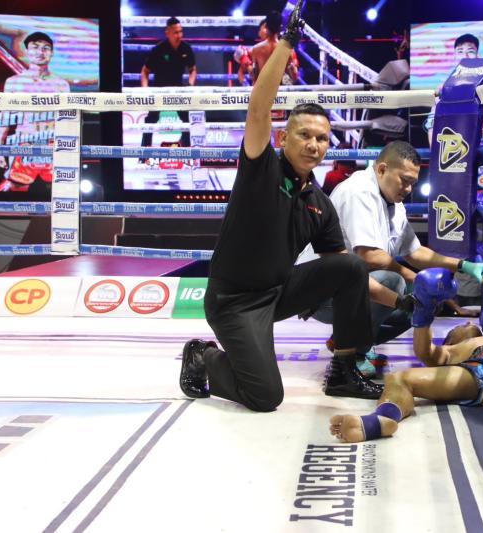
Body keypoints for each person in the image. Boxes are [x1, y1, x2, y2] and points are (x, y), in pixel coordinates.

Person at [180, 1, 384, 411]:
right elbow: (258, 107)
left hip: (277, 292)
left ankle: (345, 371)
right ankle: (204, 356)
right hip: (233, 302)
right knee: (265, 396)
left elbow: (345, 272)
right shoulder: (262, 169)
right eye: (304, 135)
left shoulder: (319, 203)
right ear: (283, 139)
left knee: (350, 266)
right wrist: (287, 42)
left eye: (321, 138)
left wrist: (405, 302)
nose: (313, 144)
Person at [329, 268, 483, 446]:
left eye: (468, 323)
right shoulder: (455, 351)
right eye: (459, 327)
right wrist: (423, 314)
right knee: (398, 379)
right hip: (477, 376)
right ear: (450, 339)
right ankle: (381, 420)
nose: (468, 324)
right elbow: (426, 353)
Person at [312, 141, 483, 359]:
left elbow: (414, 252)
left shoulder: (393, 202)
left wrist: (464, 266)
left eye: (412, 183)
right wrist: (414, 278)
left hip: (349, 286)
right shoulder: (358, 192)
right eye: (404, 180)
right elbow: (369, 256)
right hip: (320, 294)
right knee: (393, 282)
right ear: (382, 169)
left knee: (424, 303)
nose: (408, 189)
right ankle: (353, 354)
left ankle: (346, 339)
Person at [0, 31, 70, 193]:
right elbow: (5, 118)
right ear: (27, 51)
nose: (40, 52)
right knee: (16, 191)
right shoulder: (14, 83)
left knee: (61, 191)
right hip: (24, 145)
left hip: (53, 146)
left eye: (45, 48)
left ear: (52, 53)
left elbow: (67, 122)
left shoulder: (61, 85)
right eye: (35, 47)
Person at [140, 17, 196, 149]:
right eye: (176, 32)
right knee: (151, 119)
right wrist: (145, 91)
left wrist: (190, 85)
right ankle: (144, 153)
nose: (179, 35)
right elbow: (145, 71)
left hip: (178, 89)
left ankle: (187, 152)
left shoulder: (186, 48)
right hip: (159, 89)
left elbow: (193, 69)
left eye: (180, 32)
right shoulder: (159, 49)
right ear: (168, 33)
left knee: (186, 118)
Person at [248, 12, 299, 87]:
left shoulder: (256, 49)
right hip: (279, 91)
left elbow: (253, 76)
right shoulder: (287, 50)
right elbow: (294, 77)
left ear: (266, 26)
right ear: (280, 28)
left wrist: (246, 64)